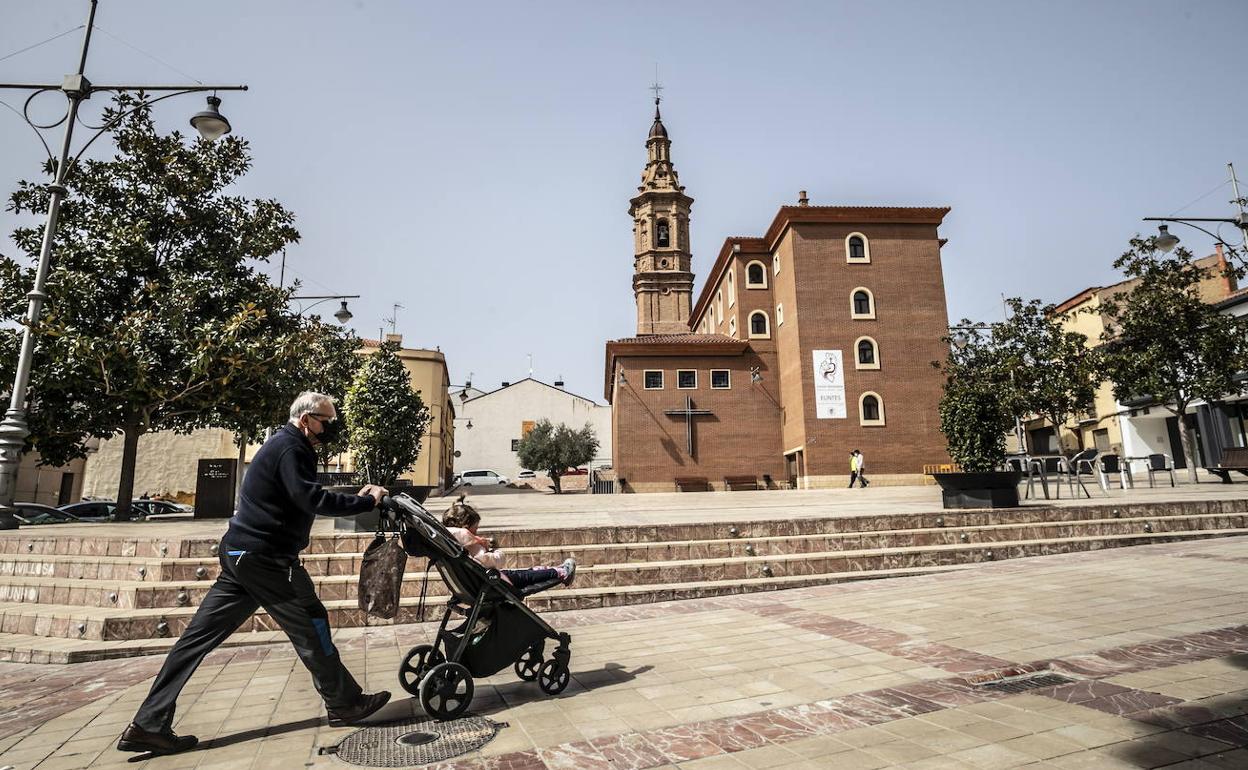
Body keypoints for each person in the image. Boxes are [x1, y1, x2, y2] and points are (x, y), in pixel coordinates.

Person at [118, 392, 391, 756]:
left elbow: (299, 496)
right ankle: (344, 703)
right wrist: (366, 501)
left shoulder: (285, 445)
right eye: (327, 422)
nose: (332, 429)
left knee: (196, 640)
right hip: (265, 558)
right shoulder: (290, 448)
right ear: (307, 419)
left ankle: (148, 725)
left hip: (243, 554)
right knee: (310, 624)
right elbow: (309, 498)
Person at [442, 497, 576, 593]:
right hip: (491, 583)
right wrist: (495, 551)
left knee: (524, 573)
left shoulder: (451, 543)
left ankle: (549, 570)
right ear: (465, 527)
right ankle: (561, 572)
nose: (476, 533)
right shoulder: (470, 544)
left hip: (477, 582)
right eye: (475, 529)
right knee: (525, 577)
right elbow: (494, 561)